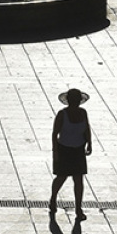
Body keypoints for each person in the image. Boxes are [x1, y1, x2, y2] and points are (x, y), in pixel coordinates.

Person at [49, 89, 92, 218]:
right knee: (61, 177)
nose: (76, 103)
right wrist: (55, 151)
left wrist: (89, 142)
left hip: (78, 150)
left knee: (78, 180)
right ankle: (53, 199)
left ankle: (78, 209)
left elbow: (87, 128)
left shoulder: (83, 113)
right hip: (64, 149)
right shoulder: (62, 115)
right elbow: (55, 133)